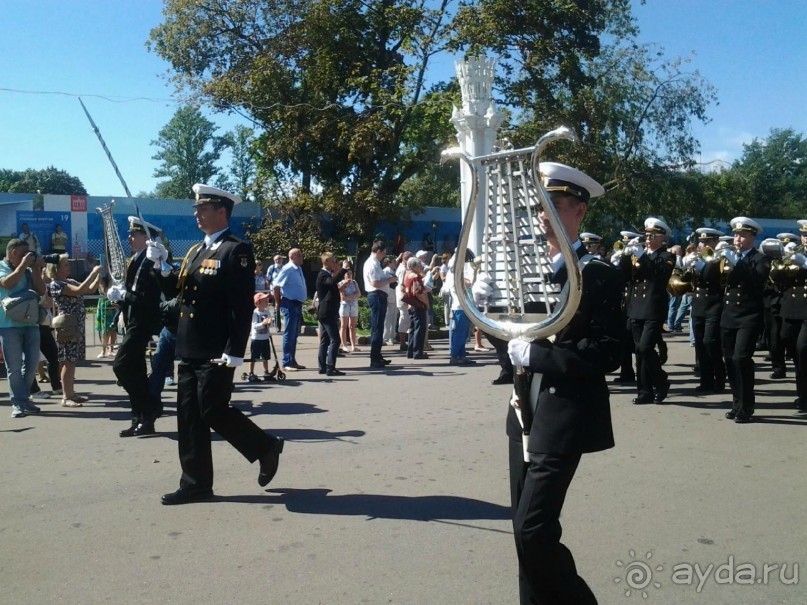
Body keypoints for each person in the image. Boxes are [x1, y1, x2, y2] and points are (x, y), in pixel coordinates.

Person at [505, 162, 622, 604]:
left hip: (566, 414)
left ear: (579, 213)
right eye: (540, 206)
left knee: (532, 529)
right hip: (523, 413)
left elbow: (607, 352)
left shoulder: (599, 275)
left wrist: (539, 355)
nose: (542, 215)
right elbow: (513, 338)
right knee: (524, 530)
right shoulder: (531, 271)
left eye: (554, 206)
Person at [160, 183, 284, 505]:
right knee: (188, 418)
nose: (197, 214)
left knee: (212, 410)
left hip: (216, 349)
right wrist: (160, 267)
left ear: (221, 212)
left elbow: (241, 307)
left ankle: (264, 446)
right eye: (197, 209)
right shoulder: (196, 251)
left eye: (203, 209)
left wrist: (234, 350)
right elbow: (181, 292)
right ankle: (196, 483)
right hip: (190, 345)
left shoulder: (235, 250)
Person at [107, 217, 164, 437]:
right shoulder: (134, 260)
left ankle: (149, 407)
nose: (129, 238)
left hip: (143, 323)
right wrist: (119, 299)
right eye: (130, 234)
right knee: (137, 371)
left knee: (121, 367)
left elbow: (147, 300)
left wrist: (125, 295)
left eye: (134, 234)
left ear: (146, 238)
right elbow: (132, 296)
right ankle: (141, 418)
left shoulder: (149, 262)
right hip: (132, 320)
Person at [621, 217, 676, 404]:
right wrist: (623, 256)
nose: (649, 238)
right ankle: (644, 391)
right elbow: (625, 276)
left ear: (663, 238)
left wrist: (642, 257)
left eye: (654, 235)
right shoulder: (639, 255)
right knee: (639, 351)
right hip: (635, 307)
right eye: (647, 235)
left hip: (653, 308)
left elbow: (658, 275)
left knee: (645, 348)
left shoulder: (667, 257)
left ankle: (661, 381)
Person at [721, 217, 769, 424]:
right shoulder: (730, 257)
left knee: (741, 358)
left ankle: (747, 405)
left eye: (742, 235)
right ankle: (736, 403)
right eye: (735, 234)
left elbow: (757, 281)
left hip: (749, 316)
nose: (737, 239)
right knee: (730, 360)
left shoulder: (761, 259)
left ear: (752, 237)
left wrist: (737, 264)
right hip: (729, 315)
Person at [46, 254, 102, 407]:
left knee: (72, 361)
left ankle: (71, 393)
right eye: (65, 265)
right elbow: (80, 289)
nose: (68, 267)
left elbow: (89, 289)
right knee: (67, 361)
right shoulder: (56, 284)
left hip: (75, 325)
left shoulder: (68, 281)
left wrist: (98, 277)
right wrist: (94, 272)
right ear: (56, 269)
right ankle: (66, 396)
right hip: (67, 326)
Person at [0, 239, 46, 418]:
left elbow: (41, 290)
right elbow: (8, 284)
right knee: (14, 367)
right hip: (8, 325)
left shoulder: (28, 270)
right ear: (12, 253)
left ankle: (24, 398)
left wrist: (35, 269)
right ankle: (18, 403)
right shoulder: (3, 267)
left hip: (31, 323)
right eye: (23, 254)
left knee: (32, 363)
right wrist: (23, 267)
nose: (27, 257)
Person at [689, 228, 726, 393]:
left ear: (715, 242)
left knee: (710, 342)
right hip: (698, 305)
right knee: (700, 346)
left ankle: (720, 378)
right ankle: (706, 380)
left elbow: (717, 280)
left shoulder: (721, 258)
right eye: (701, 241)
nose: (703, 244)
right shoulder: (697, 257)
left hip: (714, 304)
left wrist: (703, 266)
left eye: (707, 241)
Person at [778, 220, 807, 412]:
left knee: (803, 349)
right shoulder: (795, 254)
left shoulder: (802, 259)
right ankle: (802, 394)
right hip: (791, 308)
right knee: (793, 349)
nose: (805, 238)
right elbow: (778, 280)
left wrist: (804, 263)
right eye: (804, 235)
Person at [273, 248, 307, 372]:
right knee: (289, 333)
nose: (302, 257)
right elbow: (276, 286)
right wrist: (278, 303)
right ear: (292, 257)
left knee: (294, 334)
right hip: (289, 304)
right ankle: (286, 362)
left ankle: (292, 360)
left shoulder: (298, 269)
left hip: (297, 304)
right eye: (299, 255)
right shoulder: (287, 269)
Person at [363, 241, 396, 369]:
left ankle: (378, 356)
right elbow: (375, 283)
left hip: (379, 296)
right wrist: (390, 280)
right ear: (378, 251)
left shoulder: (376, 263)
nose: (384, 256)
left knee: (379, 327)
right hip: (376, 295)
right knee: (377, 328)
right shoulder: (372, 264)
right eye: (383, 253)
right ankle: (374, 358)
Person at [316, 252, 349, 376]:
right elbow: (331, 282)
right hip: (327, 312)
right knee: (335, 340)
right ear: (327, 262)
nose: (336, 263)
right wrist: (343, 269)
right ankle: (330, 367)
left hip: (327, 311)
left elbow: (331, 287)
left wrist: (340, 287)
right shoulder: (322, 275)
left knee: (325, 340)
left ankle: (322, 366)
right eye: (334, 261)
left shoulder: (327, 275)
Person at [445, 250, 476, 366]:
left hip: (462, 306)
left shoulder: (455, 274)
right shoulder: (455, 275)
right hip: (460, 307)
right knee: (460, 332)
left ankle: (461, 355)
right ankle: (454, 356)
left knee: (462, 333)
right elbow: (467, 284)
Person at [403, 257, 429, 358]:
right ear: (414, 266)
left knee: (413, 328)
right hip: (418, 304)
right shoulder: (415, 276)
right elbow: (418, 292)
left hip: (410, 304)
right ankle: (418, 352)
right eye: (419, 265)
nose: (421, 267)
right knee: (420, 328)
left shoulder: (407, 275)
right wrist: (426, 303)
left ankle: (411, 351)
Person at [247, 292, 273, 381]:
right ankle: (251, 372)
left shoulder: (267, 311)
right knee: (254, 357)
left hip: (265, 337)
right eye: (264, 301)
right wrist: (263, 323)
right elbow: (254, 325)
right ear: (257, 303)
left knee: (265, 357)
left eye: (267, 300)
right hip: (256, 338)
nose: (267, 302)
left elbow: (269, 320)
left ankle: (266, 371)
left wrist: (269, 322)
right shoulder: (255, 313)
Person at [338, 263, 361, 353]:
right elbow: (343, 297)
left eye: (350, 273)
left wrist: (351, 296)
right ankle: (344, 345)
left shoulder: (354, 282)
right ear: (344, 275)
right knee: (344, 326)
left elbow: (359, 294)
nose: (349, 275)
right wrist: (353, 296)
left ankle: (353, 345)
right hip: (345, 306)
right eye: (347, 274)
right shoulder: (341, 283)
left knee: (352, 326)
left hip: (354, 305)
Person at [95, 274, 118, 358]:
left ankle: (111, 350)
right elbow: (104, 291)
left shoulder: (113, 278)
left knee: (113, 329)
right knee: (105, 330)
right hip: (105, 306)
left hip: (113, 306)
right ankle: (103, 350)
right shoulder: (101, 279)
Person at [395, 251, 414, 351]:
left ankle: (404, 342)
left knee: (405, 318)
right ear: (406, 259)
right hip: (403, 297)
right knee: (404, 318)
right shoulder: (402, 270)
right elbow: (402, 285)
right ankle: (403, 342)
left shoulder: (402, 268)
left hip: (402, 297)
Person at [382, 258, 400, 346]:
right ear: (388, 263)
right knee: (388, 318)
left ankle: (392, 337)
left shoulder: (393, 271)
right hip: (389, 295)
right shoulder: (386, 271)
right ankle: (386, 337)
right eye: (393, 262)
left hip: (394, 295)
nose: (395, 263)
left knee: (393, 317)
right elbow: (389, 282)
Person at [265, 254, 285, 333]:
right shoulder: (272, 268)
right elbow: (268, 279)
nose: (278, 260)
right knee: (276, 307)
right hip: (274, 290)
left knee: (283, 307)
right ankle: (277, 326)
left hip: (283, 291)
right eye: (276, 259)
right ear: (274, 260)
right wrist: (269, 289)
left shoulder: (285, 268)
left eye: (279, 259)